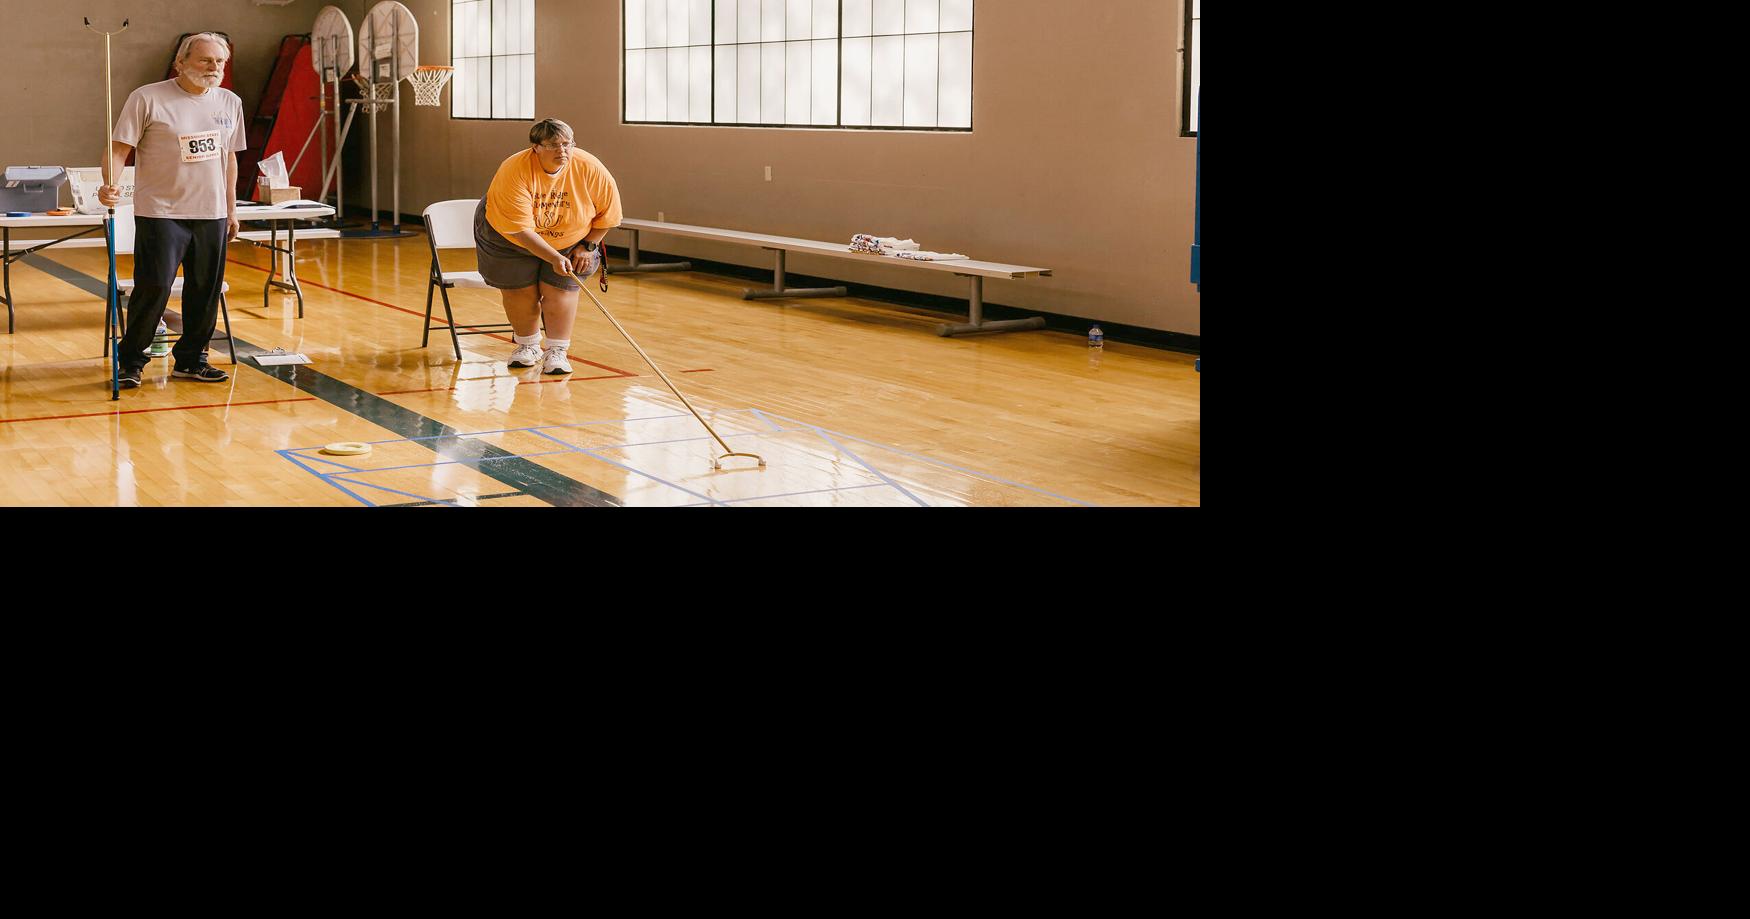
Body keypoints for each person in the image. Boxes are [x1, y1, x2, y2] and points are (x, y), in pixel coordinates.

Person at [99, 32, 244, 388]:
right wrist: (109, 183)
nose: (213, 67)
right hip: (161, 212)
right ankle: (131, 361)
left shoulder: (230, 102)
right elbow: (118, 149)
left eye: (219, 61)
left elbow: (229, 159)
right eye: (205, 60)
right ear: (180, 62)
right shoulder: (147, 97)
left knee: (205, 290)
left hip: (211, 212)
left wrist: (231, 209)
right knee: (155, 287)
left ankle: (192, 360)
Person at [474, 117, 622, 375]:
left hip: (572, 237)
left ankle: (557, 351)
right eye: (553, 145)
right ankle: (527, 346)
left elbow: (608, 215)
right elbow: (520, 230)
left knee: (560, 288)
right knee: (520, 290)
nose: (562, 151)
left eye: (567, 144)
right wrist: (553, 257)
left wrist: (588, 246)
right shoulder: (514, 169)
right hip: (510, 238)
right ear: (536, 147)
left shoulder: (590, 167)